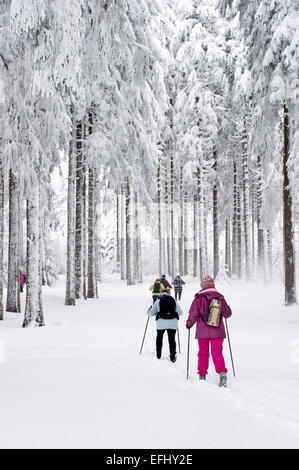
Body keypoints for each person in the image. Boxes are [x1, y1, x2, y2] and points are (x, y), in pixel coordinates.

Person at [186, 275, 232, 387]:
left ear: (202, 286)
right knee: (217, 353)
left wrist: (189, 324)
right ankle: (222, 374)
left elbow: (193, 314)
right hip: (218, 332)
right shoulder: (220, 298)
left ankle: (202, 376)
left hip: (202, 333)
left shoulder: (198, 299)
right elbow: (228, 314)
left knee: (203, 353)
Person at [147, 289, 183, 362]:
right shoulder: (173, 301)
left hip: (161, 323)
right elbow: (180, 312)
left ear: (161, 293)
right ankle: (172, 355)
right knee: (172, 339)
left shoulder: (158, 301)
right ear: (169, 293)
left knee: (159, 337)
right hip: (173, 323)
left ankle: (158, 354)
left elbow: (151, 313)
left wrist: (149, 310)